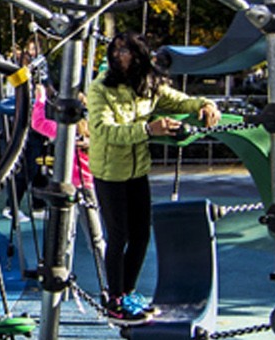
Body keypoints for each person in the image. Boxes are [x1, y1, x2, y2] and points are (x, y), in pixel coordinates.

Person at [83, 31, 220, 321]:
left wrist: (205, 105)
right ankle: (115, 299)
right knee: (118, 235)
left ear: (140, 55)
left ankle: (128, 291)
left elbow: (181, 101)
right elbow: (104, 131)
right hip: (110, 172)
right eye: (115, 50)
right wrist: (148, 129)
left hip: (137, 170)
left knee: (141, 234)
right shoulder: (101, 88)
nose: (118, 56)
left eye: (125, 51)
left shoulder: (148, 84)